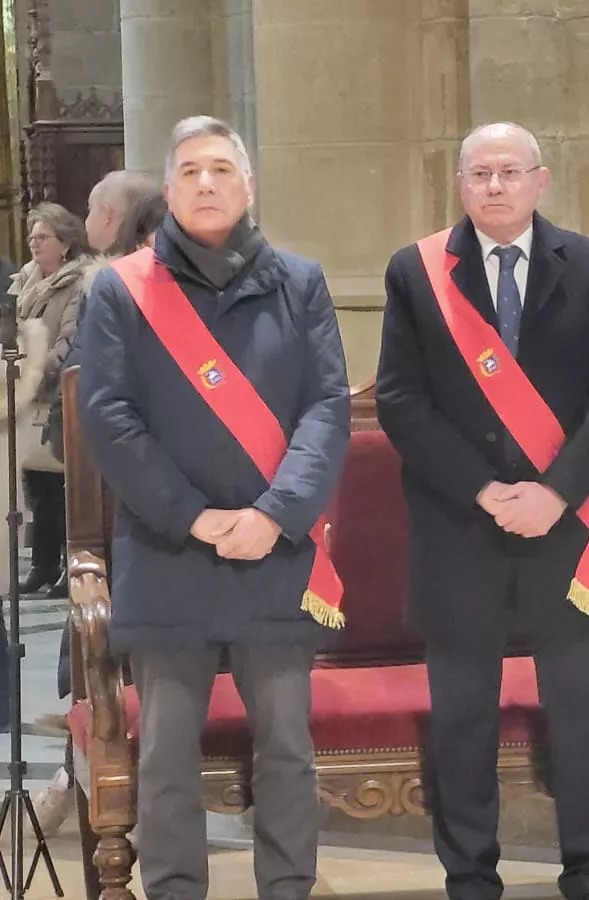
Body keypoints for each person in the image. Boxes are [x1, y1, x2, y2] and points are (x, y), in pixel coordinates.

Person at [76, 115, 350, 900]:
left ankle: (289, 888)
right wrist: (193, 516)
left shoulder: (300, 282)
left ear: (249, 186)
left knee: (288, 750)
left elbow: (326, 410)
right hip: (170, 556)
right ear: (168, 189)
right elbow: (109, 418)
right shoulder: (121, 291)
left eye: (222, 169)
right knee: (165, 753)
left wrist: (275, 513)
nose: (206, 183)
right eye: (190, 171)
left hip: (276, 551)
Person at [377, 122, 589, 900]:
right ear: (461, 185)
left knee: (582, 709)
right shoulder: (417, 272)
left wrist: (555, 493)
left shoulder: (588, 267)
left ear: (540, 180)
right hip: (461, 528)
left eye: (509, 172)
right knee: (462, 718)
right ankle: (470, 875)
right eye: (479, 174)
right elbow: (400, 400)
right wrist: (485, 490)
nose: (494, 186)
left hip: (566, 530)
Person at [12, 203, 96, 598]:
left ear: (64, 244)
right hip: (26, 393)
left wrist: (32, 369)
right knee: (36, 485)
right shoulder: (26, 281)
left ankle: (69, 566)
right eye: (31, 236)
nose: (33, 243)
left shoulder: (78, 285)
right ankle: (43, 564)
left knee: (64, 486)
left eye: (42, 237)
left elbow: (69, 341)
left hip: (58, 394)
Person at [85, 170, 160, 255]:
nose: (86, 221)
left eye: (90, 209)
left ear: (106, 213)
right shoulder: (164, 259)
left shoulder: (115, 267)